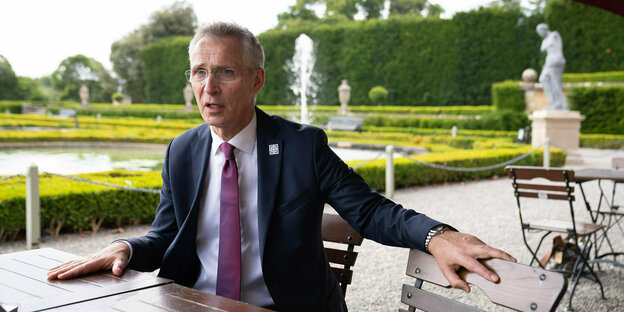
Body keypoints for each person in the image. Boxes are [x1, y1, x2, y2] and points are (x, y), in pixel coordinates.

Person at [48, 22, 515, 311]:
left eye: (226, 72)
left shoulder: (301, 146)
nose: (209, 87)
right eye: (199, 72)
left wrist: (437, 236)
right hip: (194, 305)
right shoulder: (182, 151)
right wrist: (125, 247)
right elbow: (167, 235)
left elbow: (370, 211)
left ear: (257, 80)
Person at [536, 23, 568, 110]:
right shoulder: (545, 41)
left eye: (539, 31)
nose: (539, 34)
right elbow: (543, 49)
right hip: (549, 62)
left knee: (556, 83)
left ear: (544, 29)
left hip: (556, 61)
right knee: (543, 79)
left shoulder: (554, 35)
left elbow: (554, 44)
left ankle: (561, 105)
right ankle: (554, 102)